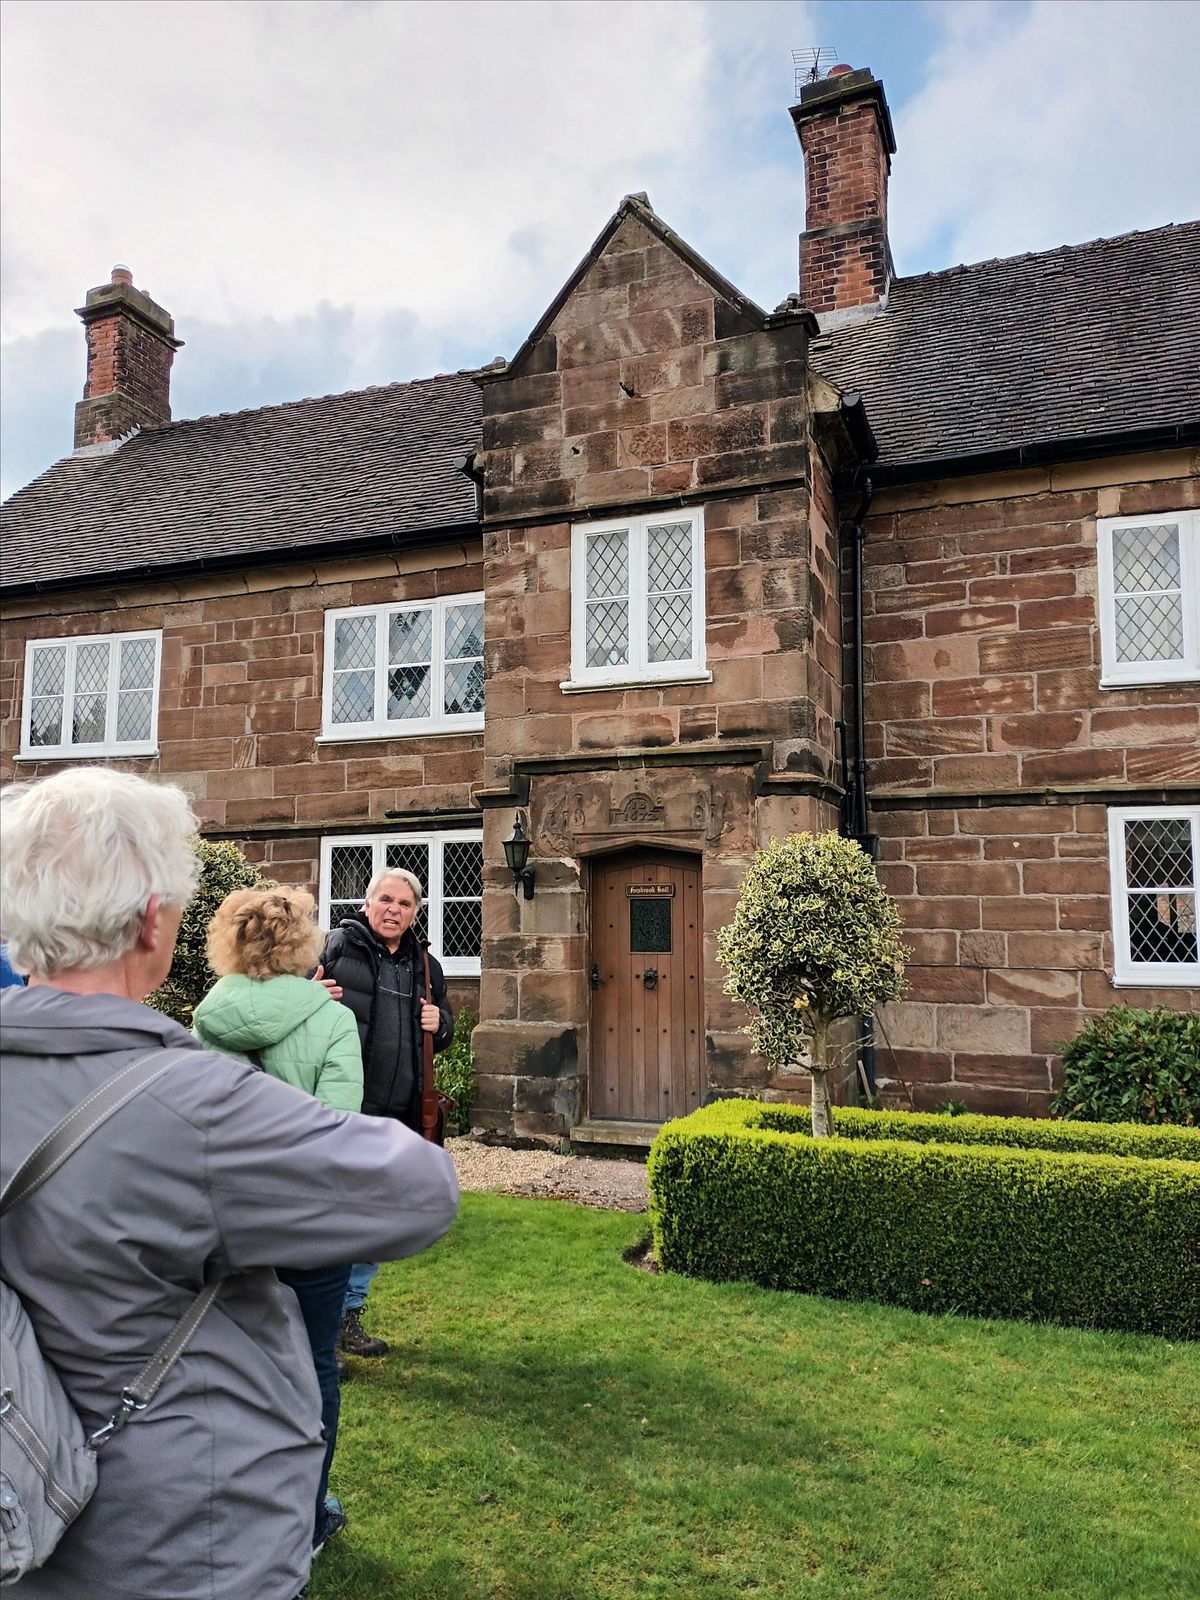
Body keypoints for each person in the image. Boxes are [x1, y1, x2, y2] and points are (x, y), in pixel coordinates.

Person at [0, 769, 459, 1600]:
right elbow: (420, 1190)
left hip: (20, 1502)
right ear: (152, 922)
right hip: (168, 1535)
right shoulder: (192, 1104)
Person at [192, 885, 363, 1557]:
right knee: (315, 1363)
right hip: (312, 1224)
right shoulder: (329, 1021)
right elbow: (339, 1135)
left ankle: (234, 1513)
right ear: (303, 946)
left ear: (229, 941)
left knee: (230, 1367)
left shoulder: (203, 1021)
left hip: (230, 1226)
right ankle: (307, 1517)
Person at [315, 868, 453, 1359]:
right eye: (386, 900)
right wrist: (311, 997)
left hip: (402, 1112)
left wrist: (443, 1023)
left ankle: (348, 1316)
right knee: (336, 1216)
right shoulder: (334, 948)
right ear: (367, 904)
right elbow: (287, 1008)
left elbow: (446, 1028)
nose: (395, 910)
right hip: (347, 1109)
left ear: (416, 912)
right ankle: (321, 1322)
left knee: (374, 1218)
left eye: (405, 904)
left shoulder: (425, 965)